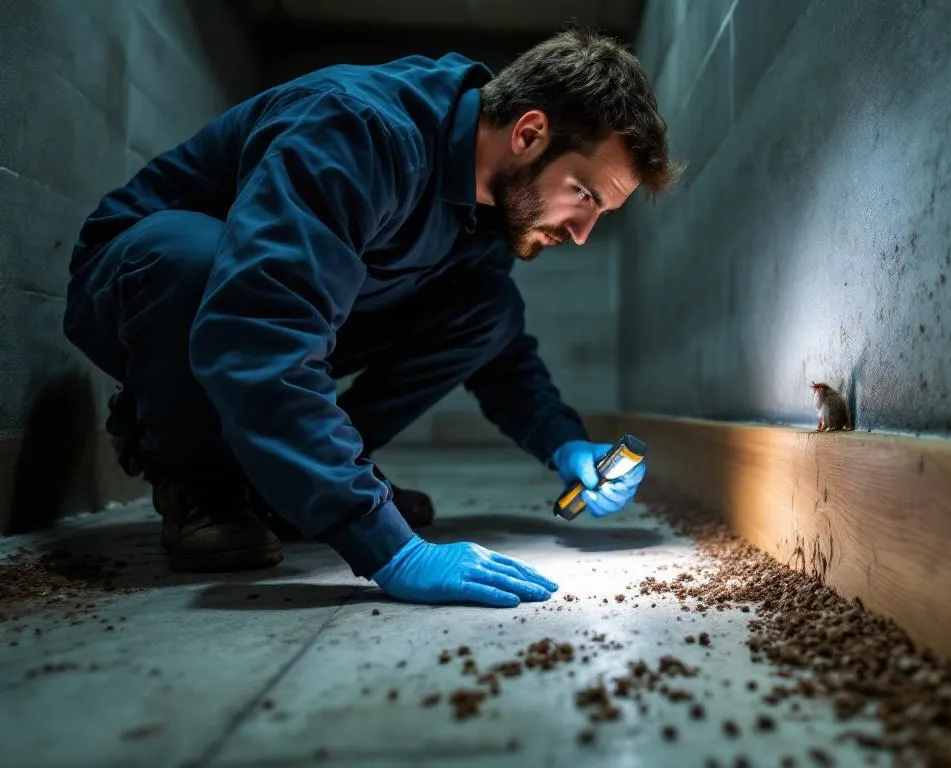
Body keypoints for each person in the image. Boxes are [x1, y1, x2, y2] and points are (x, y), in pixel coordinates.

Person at [61, 27, 679, 607]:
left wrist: (564, 443)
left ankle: (291, 483)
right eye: (584, 195)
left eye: (600, 213)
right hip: (150, 286)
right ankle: (200, 478)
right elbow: (259, 329)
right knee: (194, 260)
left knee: (488, 309)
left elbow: (500, 352)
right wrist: (385, 544)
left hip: (291, 304)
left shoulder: (491, 205)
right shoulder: (359, 129)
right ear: (530, 133)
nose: (581, 233)